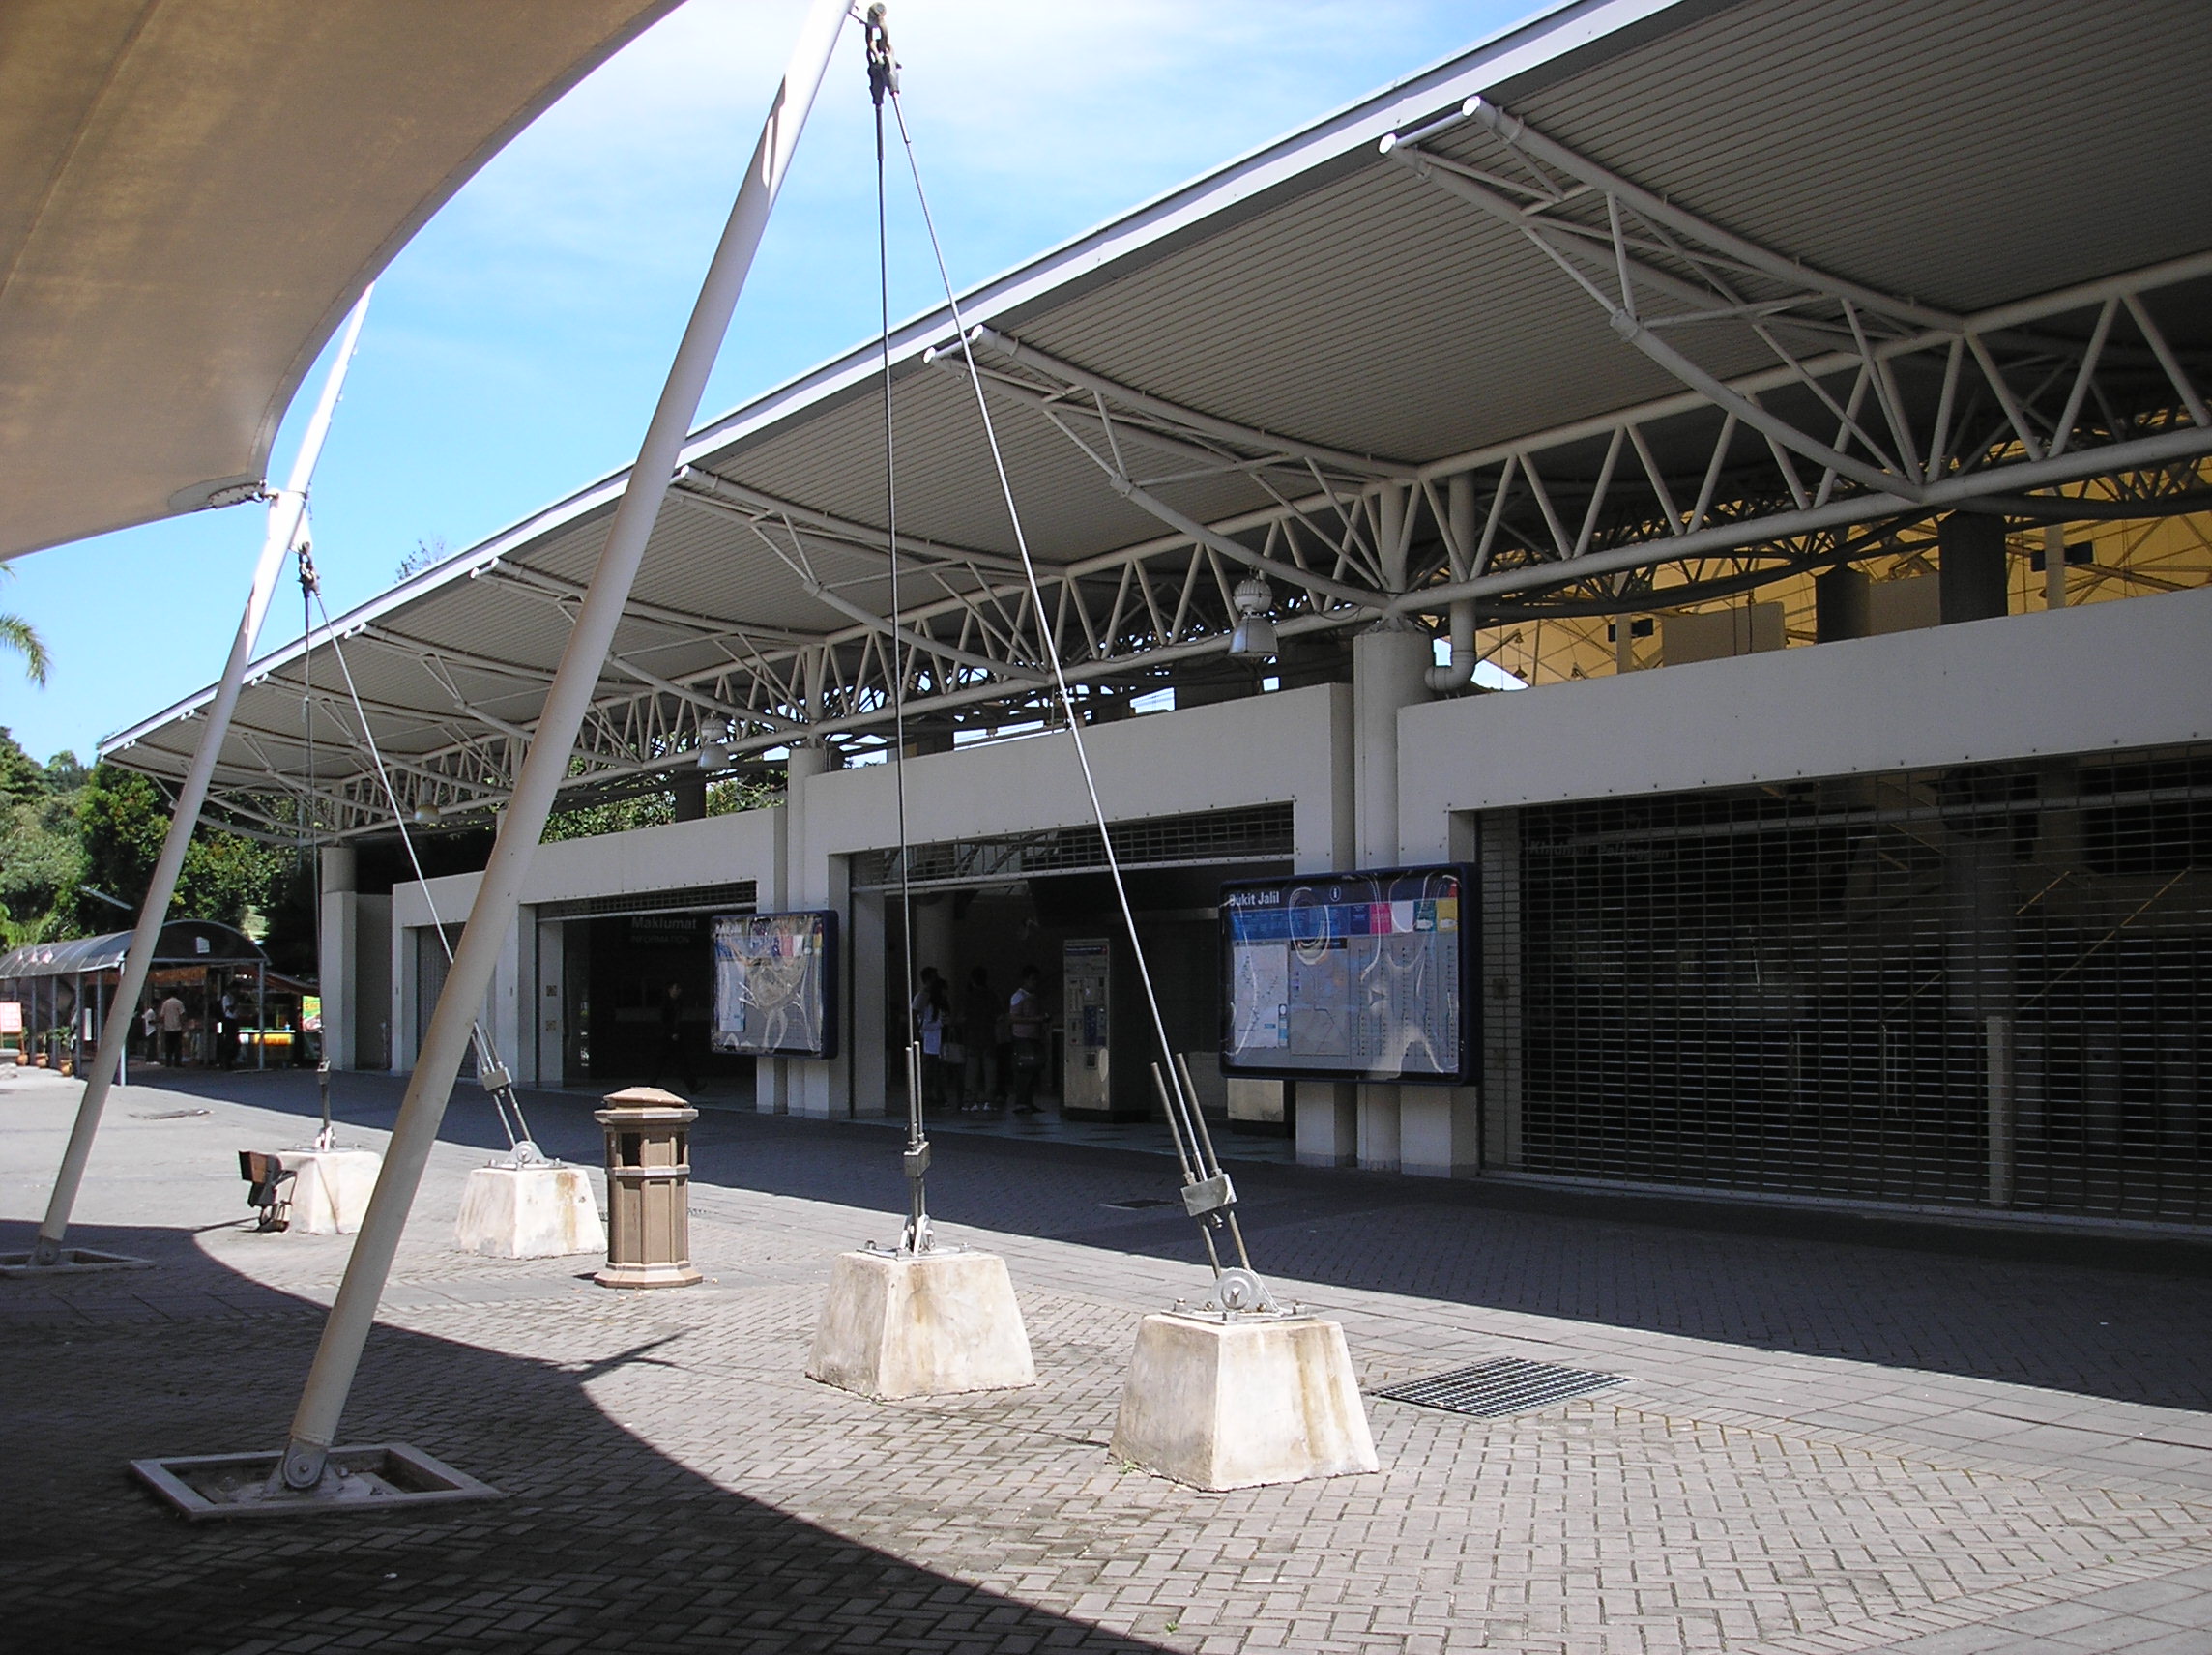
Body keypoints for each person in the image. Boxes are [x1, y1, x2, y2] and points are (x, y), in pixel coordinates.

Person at [1007, 965, 1047, 1115]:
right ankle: (1021, 1101)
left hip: (1034, 1036)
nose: (1035, 982)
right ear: (1025, 980)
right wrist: (1035, 1019)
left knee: (1033, 1070)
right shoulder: (1019, 996)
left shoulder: (1033, 996)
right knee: (1023, 1069)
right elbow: (1013, 1017)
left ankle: (1028, 1101)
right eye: (1032, 979)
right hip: (1022, 1037)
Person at [959, 966, 998, 1111]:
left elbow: (962, 1017)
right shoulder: (991, 995)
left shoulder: (969, 997)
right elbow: (999, 1015)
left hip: (972, 1037)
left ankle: (970, 1100)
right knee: (990, 1070)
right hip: (988, 1036)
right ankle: (990, 1100)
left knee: (971, 1070)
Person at [649, 980, 698, 1093]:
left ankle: (692, 1085)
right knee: (663, 1062)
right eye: (676, 989)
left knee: (679, 1061)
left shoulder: (677, 1003)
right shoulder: (666, 1003)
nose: (677, 991)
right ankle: (651, 1084)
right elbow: (665, 1020)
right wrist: (671, 1033)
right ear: (670, 990)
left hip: (672, 1036)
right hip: (667, 1037)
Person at [916, 976, 950, 1111]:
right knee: (933, 1072)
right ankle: (932, 1096)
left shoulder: (940, 1005)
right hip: (931, 1043)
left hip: (936, 1043)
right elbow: (925, 1025)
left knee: (936, 1071)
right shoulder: (931, 1006)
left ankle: (934, 1096)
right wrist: (941, 1023)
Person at [158, 991, 186, 1067]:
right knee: (177, 1046)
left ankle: (168, 1063)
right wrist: (183, 1025)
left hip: (168, 1028)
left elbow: (162, 1016)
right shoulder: (179, 1002)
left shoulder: (165, 1003)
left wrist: (163, 1025)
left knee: (169, 1046)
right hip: (177, 1028)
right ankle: (177, 1063)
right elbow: (182, 1015)